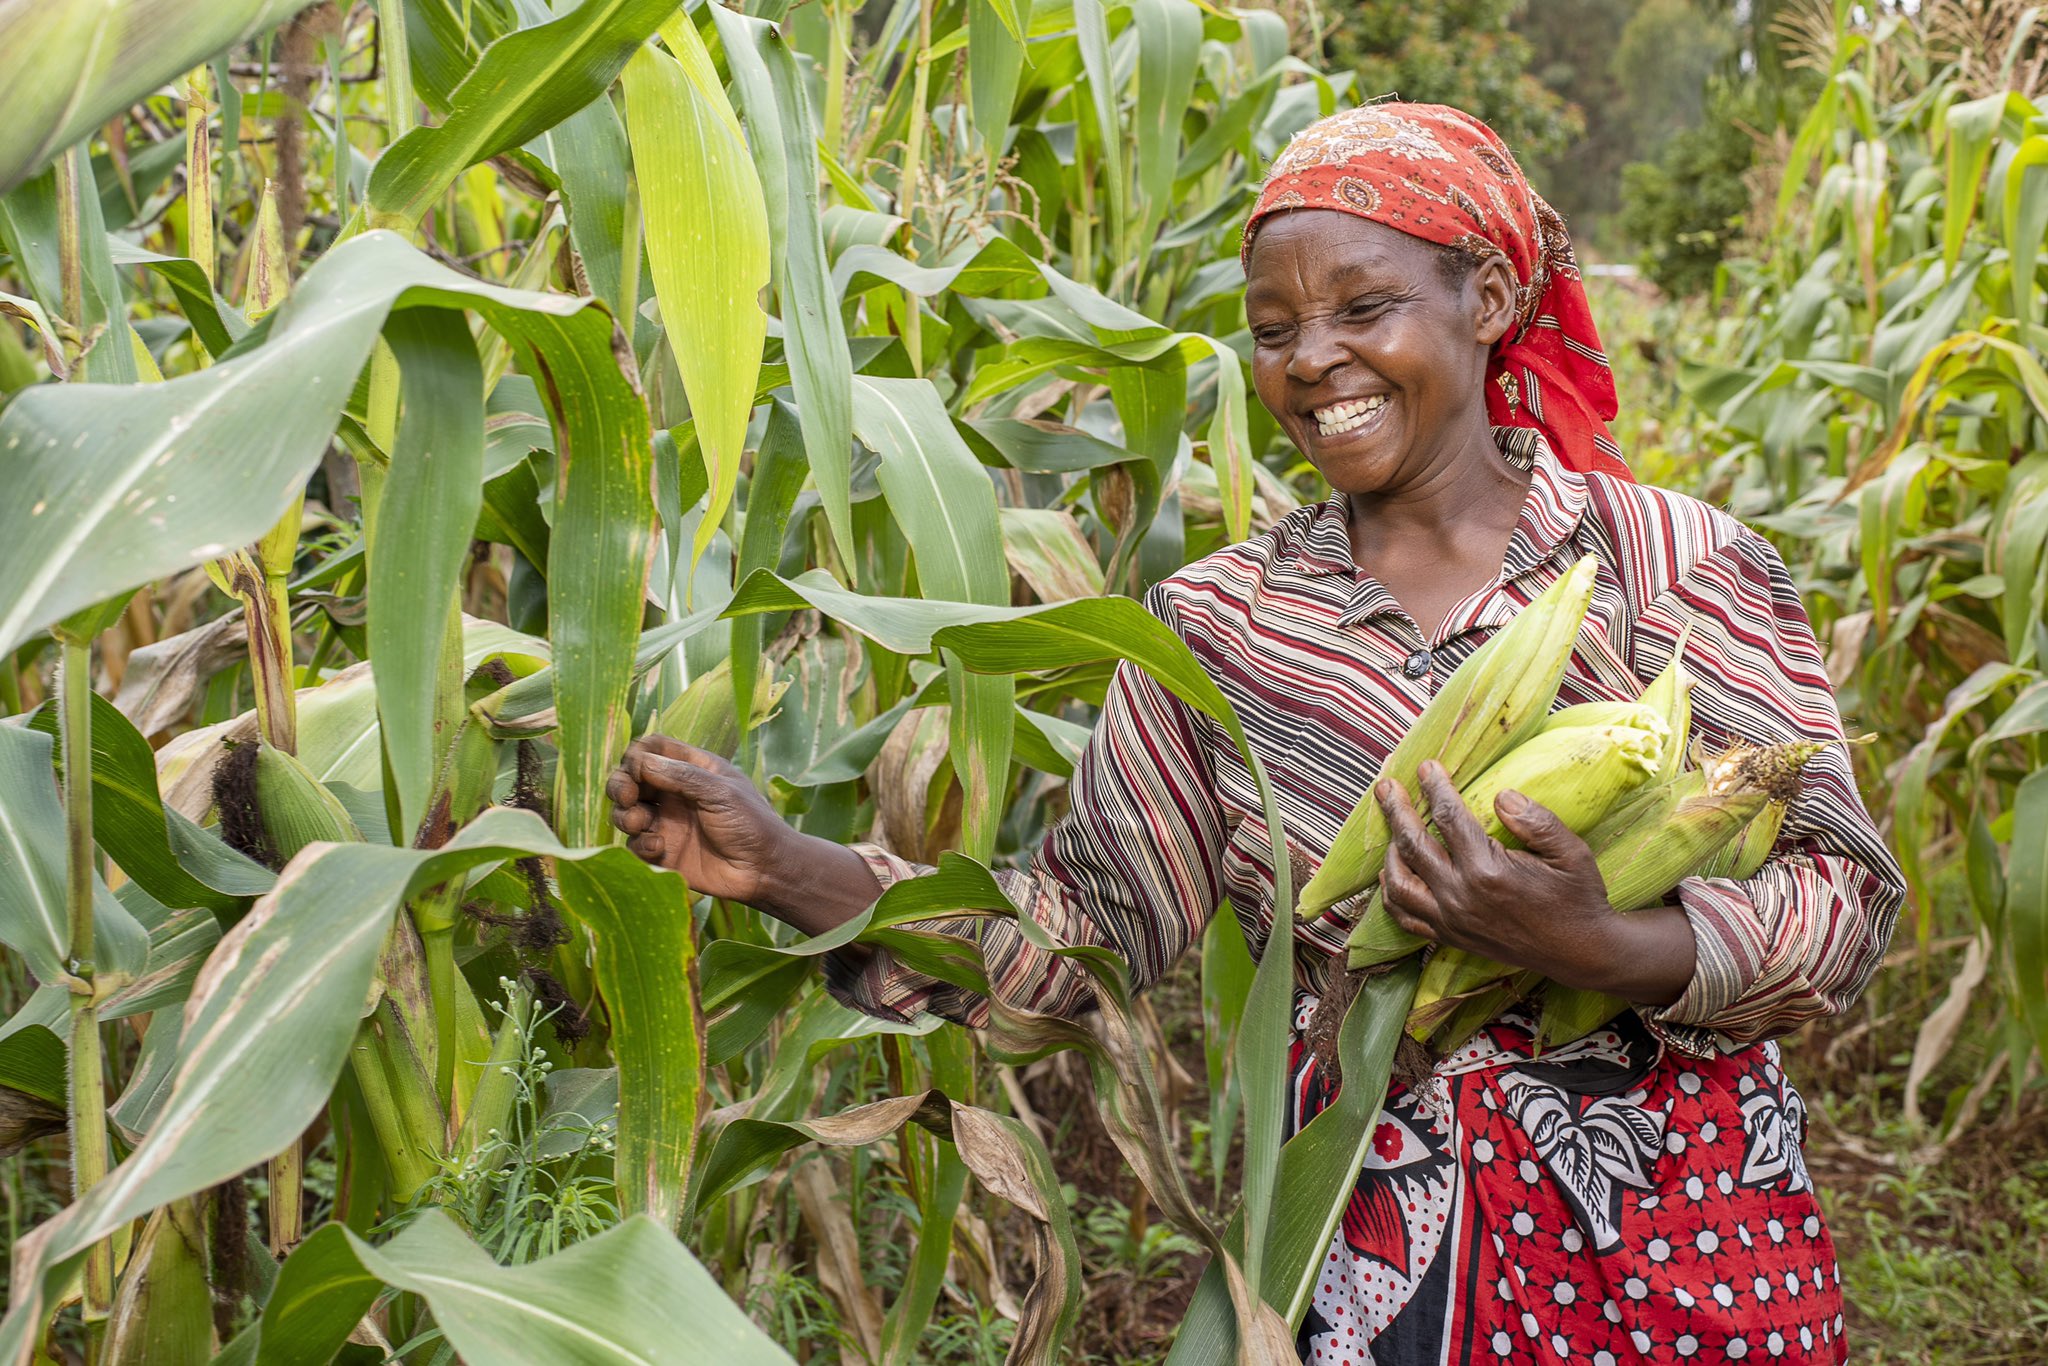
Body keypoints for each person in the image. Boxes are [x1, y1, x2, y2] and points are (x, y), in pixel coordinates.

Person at [606, 102, 1905, 1365]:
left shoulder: (1673, 565)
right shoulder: (1216, 629)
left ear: (1490, 301)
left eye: (1363, 308)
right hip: (1365, 1231)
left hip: (1675, 1227)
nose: (1311, 360)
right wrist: (788, 868)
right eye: (1273, 328)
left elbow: (1840, 897)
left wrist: (1605, 940)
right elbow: (1076, 944)